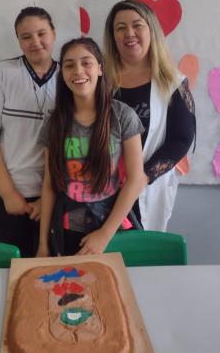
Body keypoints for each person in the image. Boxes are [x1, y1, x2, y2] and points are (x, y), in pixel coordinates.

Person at [36, 37, 147, 257]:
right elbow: (49, 184)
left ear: (99, 69)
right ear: (63, 75)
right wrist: (43, 244)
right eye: (69, 65)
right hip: (69, 227)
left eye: (86, 62)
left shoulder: (122, 115)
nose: (78, 70)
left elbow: (136, 180)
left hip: (114, 225)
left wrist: (104, 234)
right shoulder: (55, 123)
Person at [0, 6, 58, 257]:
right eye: (26, 36)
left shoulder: (70, 76)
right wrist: (9, 194)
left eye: (42, 33)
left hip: (54, 193)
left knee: (54, 262)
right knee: (15, 263)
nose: (35, 42)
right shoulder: (1, 73)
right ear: (18, 41)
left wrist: (50, 197)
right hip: (3, 193)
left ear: (54, 33)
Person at [104, 0, 196, 231]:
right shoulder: (100, 80)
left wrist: (141, 178)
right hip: (102, 187)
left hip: (146, 187)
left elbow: (181, 140)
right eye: (121, 28)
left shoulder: (173, 83)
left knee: (142, 255)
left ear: (151, 30)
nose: (129, 33)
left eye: (137, 25)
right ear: (113, 36)